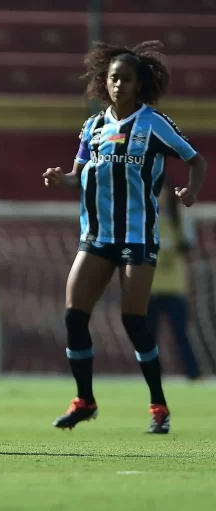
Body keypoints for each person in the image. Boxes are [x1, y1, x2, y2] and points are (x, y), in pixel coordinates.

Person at [43, 41, 207, 434]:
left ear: (139, 84)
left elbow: (195, 160)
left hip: (137, 238)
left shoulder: (153, 123)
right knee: (73, 315)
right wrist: (59, 177)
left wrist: (191, 191)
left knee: (134, 322)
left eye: (127, 79)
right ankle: (84, 399)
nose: (118, 85)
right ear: (105, 81)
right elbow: (78, 172)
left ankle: (159, 406)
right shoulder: (94, 126)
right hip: (97, 236)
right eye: (113, 78)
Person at [147, 178, 202, 380]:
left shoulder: (180, 220)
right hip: (148, 288)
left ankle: (193, 375)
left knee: (181, 335)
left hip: (174, 288)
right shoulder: (143, 220)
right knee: (149, 337)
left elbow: (188, 247)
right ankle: (152, 377)